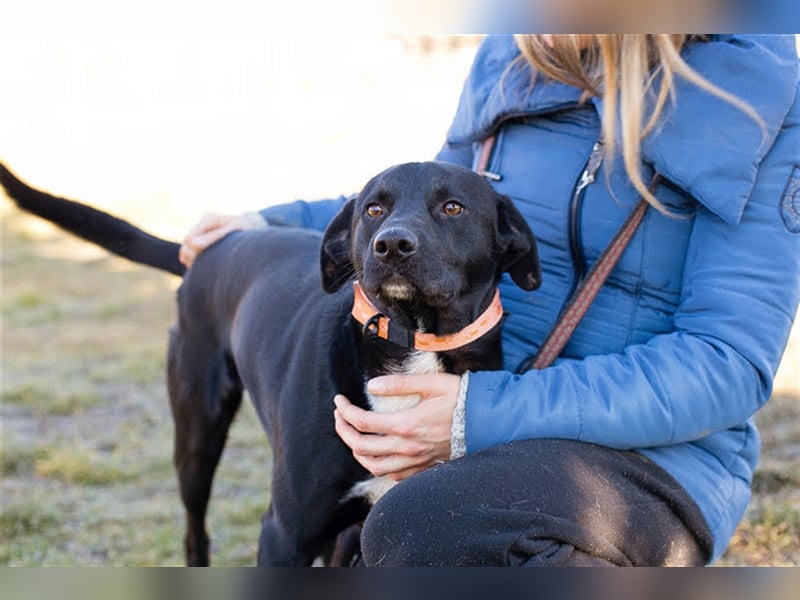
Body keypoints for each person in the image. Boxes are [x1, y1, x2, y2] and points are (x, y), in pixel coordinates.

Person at [179, 35, 800, 566]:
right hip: (486, 421)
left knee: (424, 524)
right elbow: (427, 203)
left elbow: (727, 364)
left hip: (646, 463)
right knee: (397, 532)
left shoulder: (760, 100)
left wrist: (476, 415)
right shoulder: (513, 57)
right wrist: (269, 220)